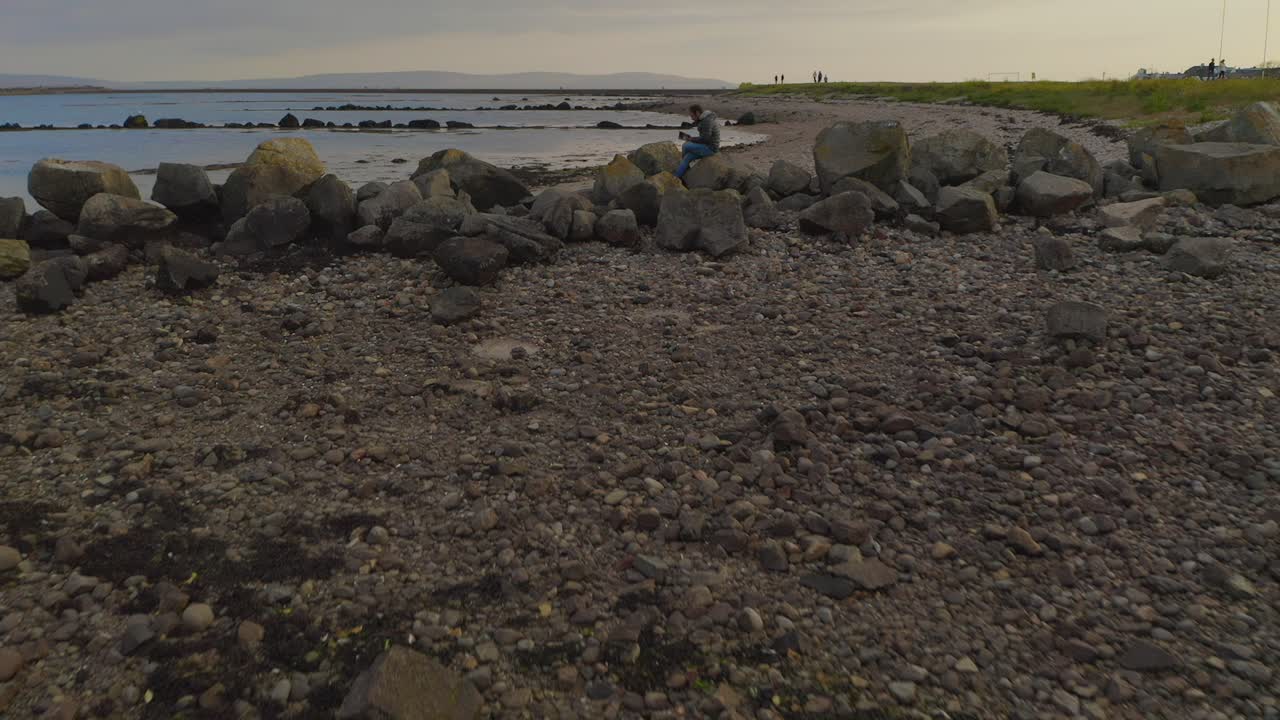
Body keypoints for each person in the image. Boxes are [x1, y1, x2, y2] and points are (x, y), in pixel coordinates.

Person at [675, 104, 720, 179]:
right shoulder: (704, 119)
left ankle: (681, 171)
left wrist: (691, 139)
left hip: (711, 148)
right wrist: (692, 138)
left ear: (697, 113)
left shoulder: (707, 121)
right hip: (707, 145)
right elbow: (704, 137)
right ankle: (677, 177)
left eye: (692, 116)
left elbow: (706, 139)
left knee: (685, 145)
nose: (691, 118)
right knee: (687, 157)